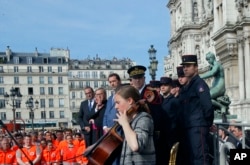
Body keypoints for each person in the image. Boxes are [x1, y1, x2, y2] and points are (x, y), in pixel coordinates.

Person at [179, 54, 214, 165]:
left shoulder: (200, 84)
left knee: (200, 158)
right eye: (184, 66)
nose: (185, 68)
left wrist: (205, 124)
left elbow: (207, 107)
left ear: (196, 67)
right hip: (189, 127)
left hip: (198, 127)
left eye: (189, 66)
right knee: (192, 158)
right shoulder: (188, 86)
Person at [127, 65, 163, 165]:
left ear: (144, 78)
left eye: (140, 77)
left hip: (149, 130)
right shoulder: (130, 93)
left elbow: (156, 113)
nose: (137, 80)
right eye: (135, 78)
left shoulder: (151, 92)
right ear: (131, 80)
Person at [114, 85, 155, 165]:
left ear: (129, 100)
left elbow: (136, 146)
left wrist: (125, 124)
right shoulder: (129, 121)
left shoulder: (144, 118)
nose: (116, 107)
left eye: (118, 102)